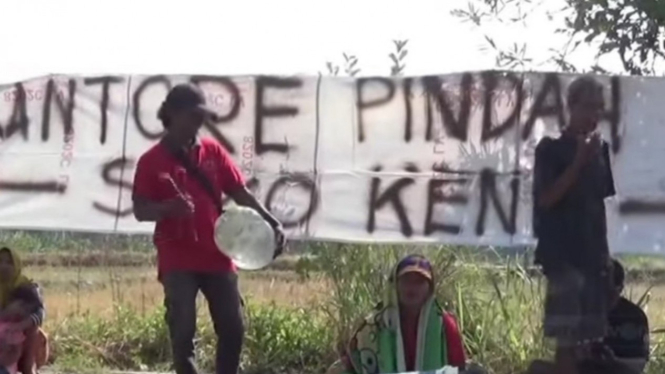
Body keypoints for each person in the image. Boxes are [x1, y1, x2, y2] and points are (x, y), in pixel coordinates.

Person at [132, 83, 285, 374]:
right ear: (173, 114)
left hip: (218, 251)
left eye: (202, 115)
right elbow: (140, 209)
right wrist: (167, 209)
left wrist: (270, 220)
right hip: (177, 256)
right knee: (183, 329)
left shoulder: (213, 152)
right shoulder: (151, 161)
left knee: (233, 327)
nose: (200, 121)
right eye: (194, 114)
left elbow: (239, 192)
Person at [532, 76, 616, 374]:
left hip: (592, 258)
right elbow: (547, 199)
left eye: (599, 109)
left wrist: (604, 259)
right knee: (566, 343)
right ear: (571, 106)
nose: (593, 115)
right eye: (588, 107)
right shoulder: (550, 149)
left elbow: (598, 206)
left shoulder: (600, 150)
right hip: (563, 259)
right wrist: (578, 161)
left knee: (588, 341)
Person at [326, 254, 469, 374]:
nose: (412, 287)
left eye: (419, 281)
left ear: (430, 288)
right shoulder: (372, 325)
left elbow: (460, 369)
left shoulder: (445, 326)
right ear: (394, 284)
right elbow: (352, 365)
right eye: (406, 280)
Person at [527, 259, 649, 374]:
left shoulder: (634, 316)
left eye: (607, 291)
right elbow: (563, 356)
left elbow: (638, 366)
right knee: (537, 367)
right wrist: (577, 355)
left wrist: (612, 362)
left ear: (620, 289)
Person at [0, 247, 48, 374]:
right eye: (0, 261)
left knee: (33, 331)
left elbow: (40, 312)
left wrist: (21, 325)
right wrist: (5, 314)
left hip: (20, 337)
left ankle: (28, 366)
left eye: (9, 262)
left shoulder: (27, 287)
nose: (4, 266)